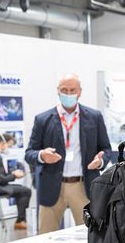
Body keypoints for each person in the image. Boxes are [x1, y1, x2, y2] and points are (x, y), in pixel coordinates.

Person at [25, 74, 111, 234]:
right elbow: (29, 153)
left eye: (73, 90)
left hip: (82, 186)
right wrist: (42, 155)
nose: (69, 94)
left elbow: (106, 149)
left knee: (89, 235)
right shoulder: (42, 119)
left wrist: (100, 161)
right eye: (64, 90)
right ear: (58, 91)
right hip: (51, 185)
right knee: (46, 235)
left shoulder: (94, 117)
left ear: (80, 92)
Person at [0, 133, 31, 230]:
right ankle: (20, 221)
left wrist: (12, 174)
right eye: (9, 146)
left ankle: (20, 220)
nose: (9, 149)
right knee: (26, 191)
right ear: (2, 143)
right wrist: (14, 175)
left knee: (23, 190)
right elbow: (0, 180)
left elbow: (0, 176)